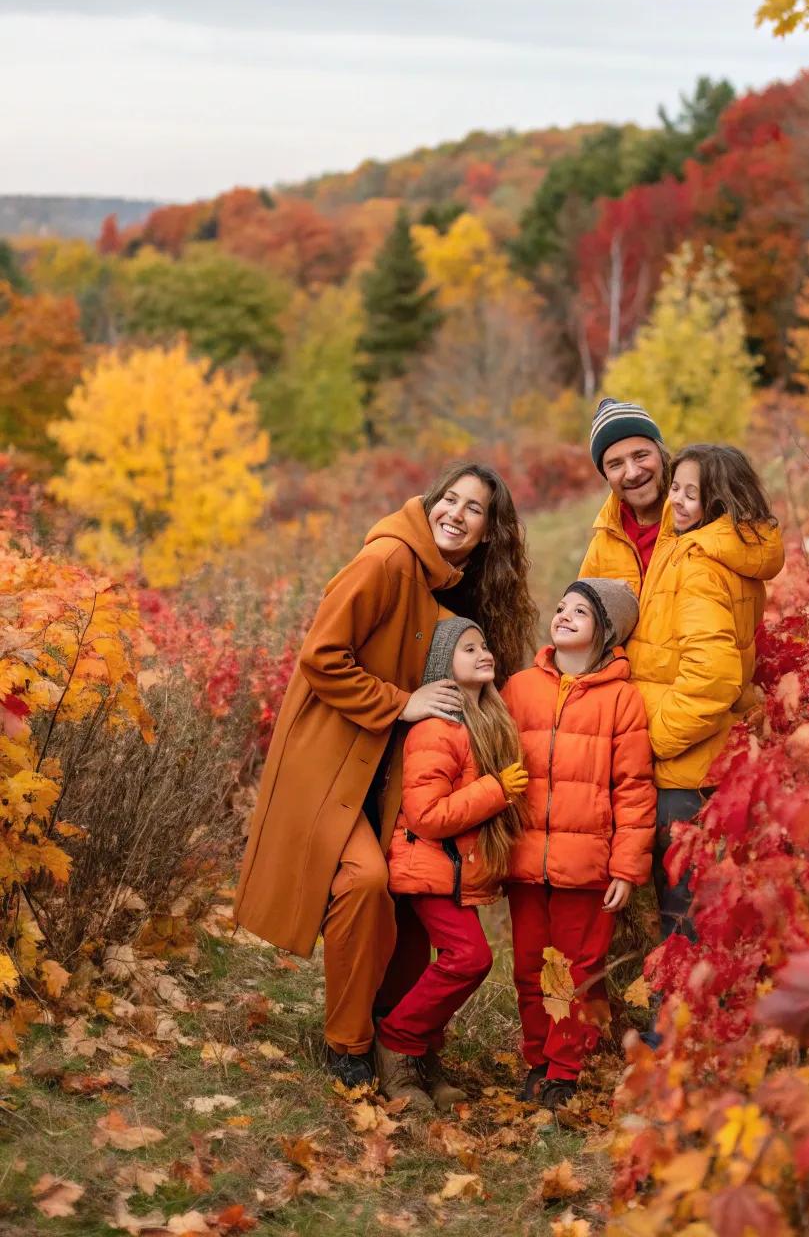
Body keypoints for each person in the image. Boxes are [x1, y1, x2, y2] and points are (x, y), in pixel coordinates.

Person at [233, 463, 536, 1089]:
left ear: (489, 531)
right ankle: (348, 1044)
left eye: (474, 508)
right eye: (448, 499)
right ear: (430, 501)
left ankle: (402, 1040)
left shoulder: (449, 582)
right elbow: (321, 655)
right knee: (365, 880)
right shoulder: (389, 560)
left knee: (409, 889)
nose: (455, 513)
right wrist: (403, 702)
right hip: (331, 758)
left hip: (393, 767)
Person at [502, 577, 655, 1107]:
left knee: (573, 970)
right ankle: (537, 1060)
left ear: (606, 631)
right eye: (561, 606)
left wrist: (626, 867)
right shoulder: (520, 687)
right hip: (525, 859)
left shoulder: (622, 700)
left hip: (587, 865)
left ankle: (564, 1071)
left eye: (581, 612)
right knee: (529, 968)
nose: (564, 615)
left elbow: (633, 788)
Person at [375, 618, 529, 1110]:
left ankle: (423, 1056)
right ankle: (396, 1042)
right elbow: (427, 815)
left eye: (484, 645)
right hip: (426, 867)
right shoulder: (436, 730)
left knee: (444, 963)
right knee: (470, 958)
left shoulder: (483, 722)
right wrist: (496, 790)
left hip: (453, 870)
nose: (484, 653)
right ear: (444, 665)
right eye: (468, 648)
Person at [645, 444, 784, 940]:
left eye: (693, 494)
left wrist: (656, 740)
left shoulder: (700, 564)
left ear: (720, 503)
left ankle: (679, 1000)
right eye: (675, 488)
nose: (677, 501)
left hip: (684, 765)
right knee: (704, 909)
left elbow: (714, 676)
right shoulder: (717, 550)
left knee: (682, 919)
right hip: (708, 757)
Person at [579, 396, 675, 595]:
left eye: (641, 455)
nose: (632, 473)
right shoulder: (601, 549)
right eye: (615, 465)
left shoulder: (701, 521)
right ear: (606, 476)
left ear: (661, 454)